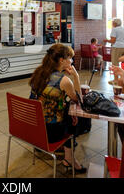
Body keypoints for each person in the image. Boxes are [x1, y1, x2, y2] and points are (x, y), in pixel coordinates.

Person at [29, 44, 86, 174]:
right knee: (75, 120)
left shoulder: (38, 72)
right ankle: (70, 159)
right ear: (62, 60)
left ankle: (57, 152)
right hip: (51, 132)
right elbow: (78, 100)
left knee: (66, 115)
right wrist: (76, 77)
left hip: (33, 127)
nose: (71, 61)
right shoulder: (64, 80)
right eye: (70, 58)